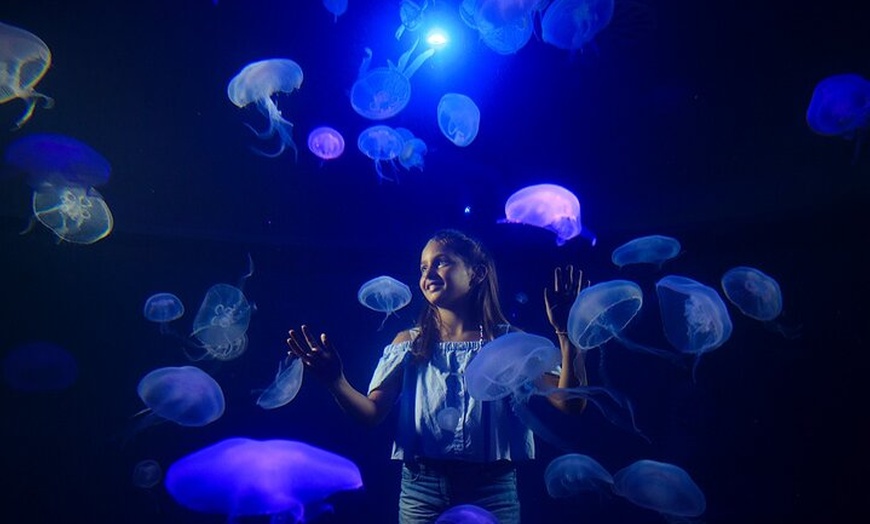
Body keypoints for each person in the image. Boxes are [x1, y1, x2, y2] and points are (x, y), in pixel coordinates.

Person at [286, 229, 588, 524]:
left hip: (492, 488)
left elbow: (570, 404)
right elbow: (371, 415)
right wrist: (335, 381)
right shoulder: (408, 343)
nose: (428, 273)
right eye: (423, 267)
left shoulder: (509, 341)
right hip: (422, 489)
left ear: (477, 273)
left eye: (441, 262)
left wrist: (567, 333)